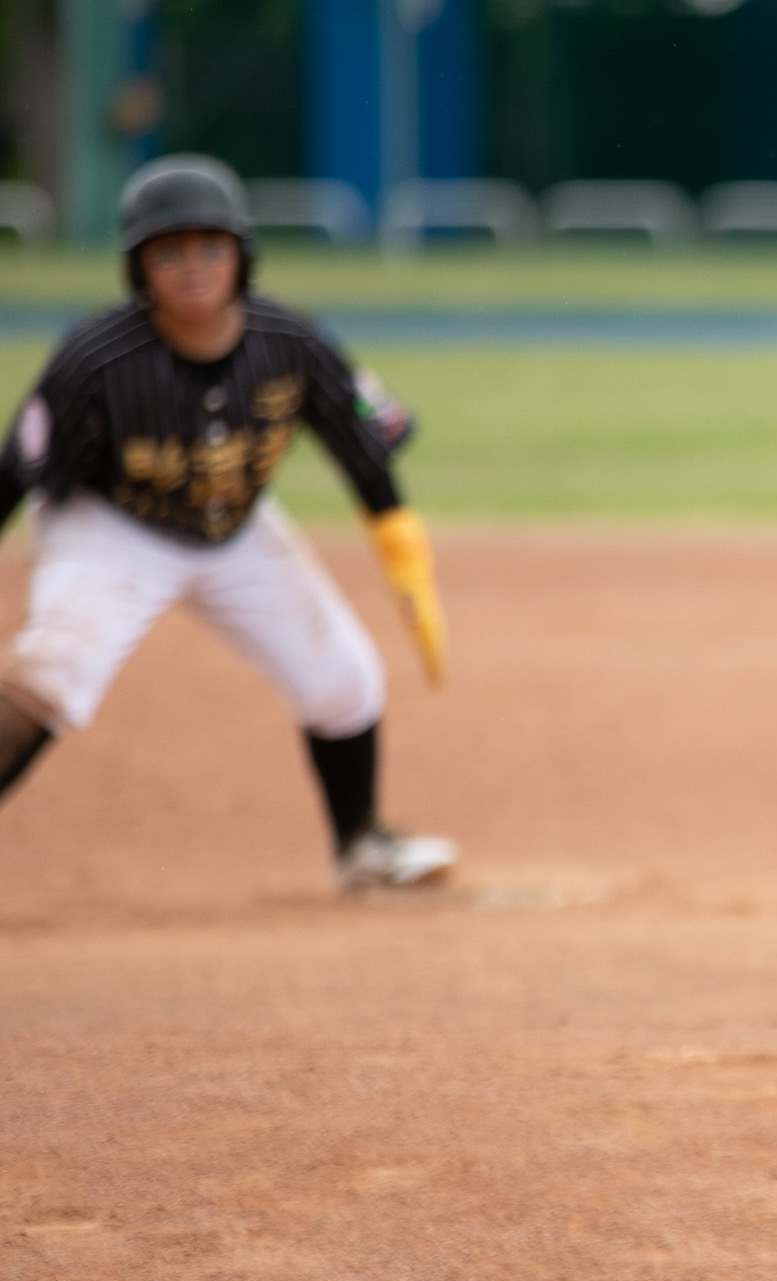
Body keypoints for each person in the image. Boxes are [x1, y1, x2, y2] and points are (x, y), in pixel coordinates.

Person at [0, 154, 456, 888]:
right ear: (136, 266)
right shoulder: (96, 358)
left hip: (237, 527)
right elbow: (13, 474)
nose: (192, 267)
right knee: (54, 673)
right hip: (111, 526)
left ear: (243, 255)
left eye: (212, 247)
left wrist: (406, 562)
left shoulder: (291, 342)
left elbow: (365, 454)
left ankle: (362, 847)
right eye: (167, 251)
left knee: (344, 678)